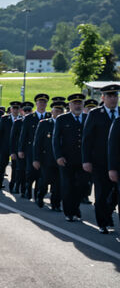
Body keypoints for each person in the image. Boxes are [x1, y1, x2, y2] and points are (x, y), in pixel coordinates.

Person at [81, 83, 119, 233]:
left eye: (115, 95)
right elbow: (87, 139)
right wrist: (86, 160)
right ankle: (102, 222)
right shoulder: (95, 114)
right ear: (103, 98)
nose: (113, 99)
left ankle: (108, 214)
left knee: (115, 194)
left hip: (117, 161)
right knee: (102, 192)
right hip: (100, 161)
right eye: (109, 96)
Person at [53, 93, 88, 222]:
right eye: (75, 103)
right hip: (66, 159)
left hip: (83, 160)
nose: (77, 106)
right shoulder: (62, 119)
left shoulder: (88, 118)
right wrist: (58, 156)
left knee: (82, 186)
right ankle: (69, 212)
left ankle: (75, 206)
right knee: (68, 186)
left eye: (80, 103)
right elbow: (56, 140)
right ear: (70, 105)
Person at [33, 100, 65, 211]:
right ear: (52, 111)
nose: (58, 113)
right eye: (56, 111)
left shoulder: (65, 123)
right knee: (45, 180)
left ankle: (56, 204)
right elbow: (37, 143)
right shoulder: (44, 123)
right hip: (46, 159)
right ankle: (40, 195)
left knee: (58, 183)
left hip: (60, 159)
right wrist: (36, 159)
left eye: (61, 111)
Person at [18, 94, 50, 199]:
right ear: (36, 103)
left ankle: (37, 194)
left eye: (44, 102)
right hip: (31, 149)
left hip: (45, 150)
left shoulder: (49, 117)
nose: (42, 104)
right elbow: (23, 135)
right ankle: (27, 188)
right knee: (30, 172)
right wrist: (20, 149)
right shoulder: (29, 118)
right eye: (40, 102)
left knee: (42, 174)